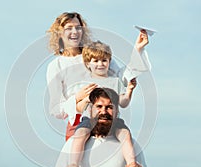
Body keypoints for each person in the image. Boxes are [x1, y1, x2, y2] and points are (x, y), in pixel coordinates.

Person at [46, 12, 151, 141]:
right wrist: (77, 98)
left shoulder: (96, 54)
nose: (75, 31)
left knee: (130, 149)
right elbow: (56, 109)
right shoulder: (56, 66)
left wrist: (137, 50)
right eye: (69, 28)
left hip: (107, 118)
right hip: (79, 122)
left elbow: (121, 77)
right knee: (71, 157)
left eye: (78, 27)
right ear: (59, 33)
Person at [48, 88, 156, 167]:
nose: (104, 112)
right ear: (90, 110)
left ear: (117, 111)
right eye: (99, 106)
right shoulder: (74, 142)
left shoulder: (128, 144)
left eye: (109, 107)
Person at [66, 41, 140, 167]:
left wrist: (130, 90)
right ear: (88, 63)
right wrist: (86, 99)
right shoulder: (84, 84)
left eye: (104, 60)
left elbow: (123, 103)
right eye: (96, 61)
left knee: (125, 134)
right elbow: (79, 109)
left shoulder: (115, 81)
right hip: (90, 119)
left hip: (112, 120)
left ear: (109, 62)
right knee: (80, 133)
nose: (100, 64)